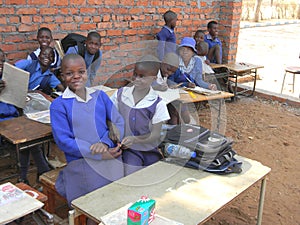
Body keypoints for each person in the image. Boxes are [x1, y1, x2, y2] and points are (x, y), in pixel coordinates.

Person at [50, 54, 124, 206]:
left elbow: (118, 122)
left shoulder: (100, 96)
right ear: (62, 76)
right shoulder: (59, 105)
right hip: (81, 160)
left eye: (81, 72)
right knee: (95, 201)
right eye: (70, 73)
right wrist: (96, 153)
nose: (76, 76)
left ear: (87, 73)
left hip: (110, 153)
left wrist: (104, 144)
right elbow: (64, 141)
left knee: (121, 192)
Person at [110, 55, 170, 176]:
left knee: (156, 176)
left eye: (142, 76)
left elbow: (156, 135)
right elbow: (108, 113)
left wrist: (135, 139)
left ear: (153, 78)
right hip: (130, 150)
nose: (136, 79)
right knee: (132, 175)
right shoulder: (121, 94)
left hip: (150, 150)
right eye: (135, 74)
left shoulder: (158, 103)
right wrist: (112, 126)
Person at [0, 48, 50, 183]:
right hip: (3, 121)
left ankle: (26, 176)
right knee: (27, 141)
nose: (0, 66)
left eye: (2, 62)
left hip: (15, 117)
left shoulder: (7, 77)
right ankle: (40, 171)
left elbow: (17, 99)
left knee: (30, 138)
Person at [151, 52, 191, 124]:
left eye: (172, 72)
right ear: (163, 62)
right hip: (152, 101)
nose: (169, 73)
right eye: (168, 69)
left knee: (180, 108)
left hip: (167, 99)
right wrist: (157, 87)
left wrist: (187, 84)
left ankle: (175, 127)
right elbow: (146, 85)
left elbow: (178, 81)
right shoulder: (152, 69)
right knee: (174, 110)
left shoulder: (170, 71)